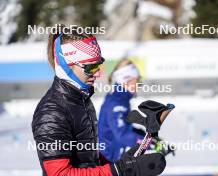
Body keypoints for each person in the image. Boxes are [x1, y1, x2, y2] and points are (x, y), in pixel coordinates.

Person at [31, 25, 166, 176]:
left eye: (98, 64)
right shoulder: (52, 111)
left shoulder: (80, 100)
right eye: (91, 67)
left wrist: (120, 163)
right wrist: (118, 170)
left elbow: (87, 158)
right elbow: (59, 173)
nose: (98, 73)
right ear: (66, 65)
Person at [98, 59, 145, 162]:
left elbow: (123, 128)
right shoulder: (116, 103)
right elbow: (122, 135)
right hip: (107, 161)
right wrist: (148, 143)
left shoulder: (121, 98)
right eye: (137, 80)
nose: (140, 85)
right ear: (126, 80)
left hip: (112, 158)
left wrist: (145, 136)